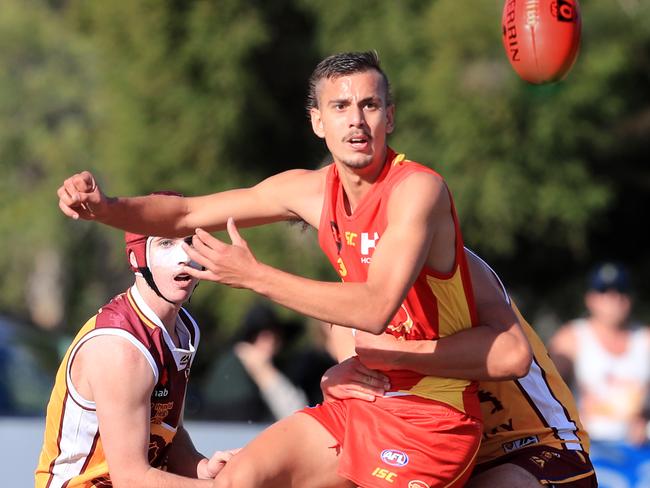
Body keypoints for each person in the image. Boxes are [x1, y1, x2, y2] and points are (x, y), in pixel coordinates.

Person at [57, 51, 533, 487]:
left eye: (369, 105)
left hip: (431, 419)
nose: (356, 121)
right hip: (360, 400)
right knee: (238, 481)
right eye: (341, 107)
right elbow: (183, 214)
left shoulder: (418, 191)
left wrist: (254, 275)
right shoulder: (309, 191)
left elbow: (374, 309)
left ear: (390, 117)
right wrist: (105, 207)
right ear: (317, 121)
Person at [321, 247, 598, 487]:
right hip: (445, 455)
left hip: (534, 445)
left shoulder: (453, 268)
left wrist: (401, 354)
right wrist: (337, 382)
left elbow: (513, 358)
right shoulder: (349, 311)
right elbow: (370, 402)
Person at [35, 194, 235, 487]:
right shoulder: (122, 349)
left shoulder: (185, 329)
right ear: (135, 258)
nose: (184, 255)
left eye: (189, 241)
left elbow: (166, 430)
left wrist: (201, 468)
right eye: (165, 243)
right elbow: (131, 479)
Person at [550, 262, 650, 446]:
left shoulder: (645, 340)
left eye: (621, 291)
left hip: (640, 447)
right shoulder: (571, 338)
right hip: (588, 444)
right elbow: (545, 393)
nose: (614, 299)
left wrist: (644, 419)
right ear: (590, 299)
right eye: (604, 292)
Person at [202, 302, 309, 422]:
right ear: (251, 338)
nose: (271, 342)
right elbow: (295, 413)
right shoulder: (242, 363)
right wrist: (263, 370)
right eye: (264, 336)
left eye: (276, 335)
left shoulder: (238, 362)